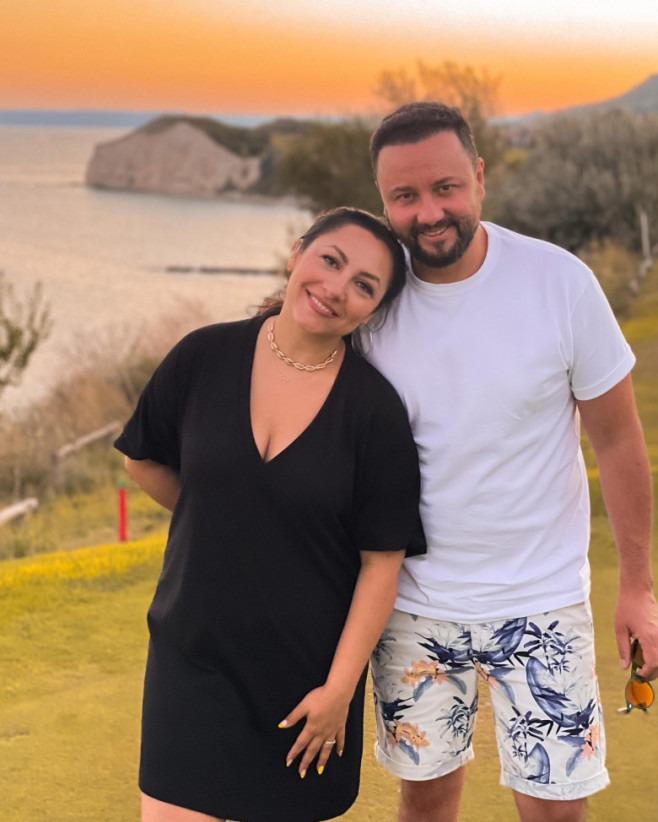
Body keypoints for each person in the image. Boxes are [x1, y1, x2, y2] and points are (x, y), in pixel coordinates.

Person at [361, 102, 658, 822]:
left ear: (480, 177)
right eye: (405, 196)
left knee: (555, 810)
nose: (429, 212)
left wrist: (638, 587)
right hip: (413, 604)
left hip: (542, 598)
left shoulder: (560, 282)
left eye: (445, 188)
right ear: (383, 201)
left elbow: (619, 438)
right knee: (426, 802)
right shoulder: (369, 303)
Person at [114, 207, 426, 822]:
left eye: (363, 285)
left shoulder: (374, 411)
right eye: (330, 260)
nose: (336, 287)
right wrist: (230, 518)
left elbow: (381, 566)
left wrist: (338, 692)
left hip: (305, 683)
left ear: (373, 309)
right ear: (296, 253)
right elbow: (142, 460)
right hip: (190, 661)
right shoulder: (203, 355)